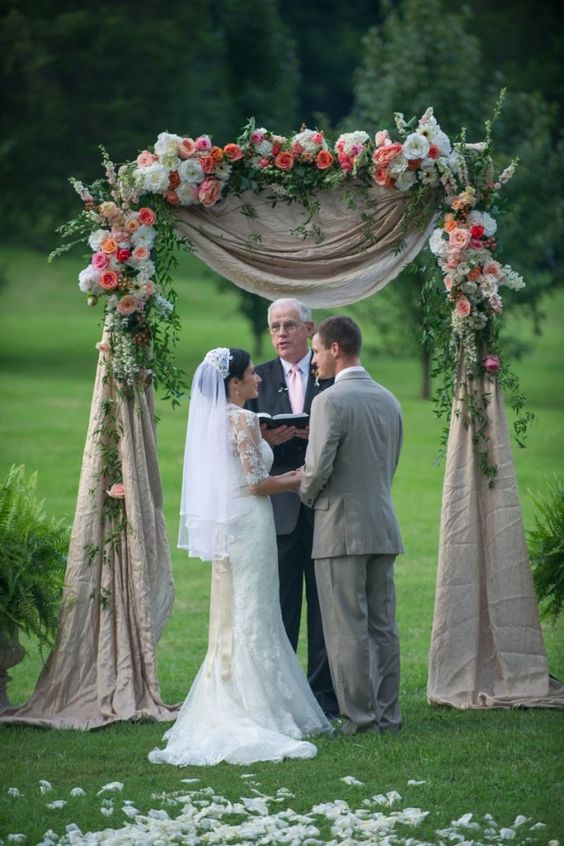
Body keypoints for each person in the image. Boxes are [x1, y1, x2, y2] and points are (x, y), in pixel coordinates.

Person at [149, 347, 331, 766]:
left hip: (228, 522)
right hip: (250, 521)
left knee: (234, 611)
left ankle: (230, 689)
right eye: (251, 373)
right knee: (255, 610)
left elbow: (234, 472)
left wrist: (266, 445)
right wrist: (297, 479)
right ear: (234, 383)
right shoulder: (244, 419)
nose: (259, 379)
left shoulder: (213, 421)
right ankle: (256, 705)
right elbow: (255, 484)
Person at [299, 317, 404, 735]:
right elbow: (389, 464)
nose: (315, 360)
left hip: (339, 528)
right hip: (383, 525)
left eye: (318, 351)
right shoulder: (389, 399)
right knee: (383, 627)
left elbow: (317, 468)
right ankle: (388, 717)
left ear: (336, 349)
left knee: (346, 630)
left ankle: (360, 721)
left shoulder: (329, 401)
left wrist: (305, 494)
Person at [247, 298, 339, 718]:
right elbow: (241, 447)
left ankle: (323, 695)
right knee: (282, 604)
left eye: (289, 325)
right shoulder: (257, 380)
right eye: (275, 327)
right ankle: (282, 697)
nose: (281, 333)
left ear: (309, 329)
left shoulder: (331, 376)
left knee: (324, 605)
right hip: (279, 508)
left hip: (324, 506)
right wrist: (271, 440)